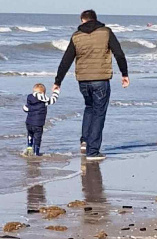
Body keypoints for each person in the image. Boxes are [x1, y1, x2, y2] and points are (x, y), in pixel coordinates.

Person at [53, 10, 129, 161]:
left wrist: (57, 81)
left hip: (83, 80)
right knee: (99, 112)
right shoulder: (106, 32)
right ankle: (93, 152)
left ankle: (85, 141)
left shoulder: (76, 36)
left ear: (83, 20)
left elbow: (66, 60)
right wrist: (124, 74)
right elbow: (119, 53)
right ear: (95, 19)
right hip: (101, 79)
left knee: (89, 108)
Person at [23, 83, 60, 156]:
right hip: (38, 124)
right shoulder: (44, 101)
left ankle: (29, 147)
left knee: (30, 134)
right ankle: (36, 153)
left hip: (29, 123)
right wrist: (56, 91)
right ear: (43, 93)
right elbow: (53, 99)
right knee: (37, 138)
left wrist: (26, 108)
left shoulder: (30, 98)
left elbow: (26, 108)